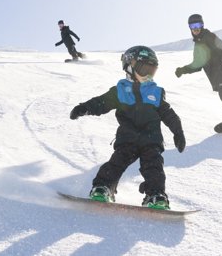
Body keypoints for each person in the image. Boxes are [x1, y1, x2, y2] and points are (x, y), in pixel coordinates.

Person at [70, 46, 185, 210]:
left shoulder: (156, 92)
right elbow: (100, 103)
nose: (148, 75)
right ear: (129, 67)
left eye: (152, 71)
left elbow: (169, 114)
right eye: (144, 69)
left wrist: (178, 132)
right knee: (115, 164)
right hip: (127, 139)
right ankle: (103, 188)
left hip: (151, 140)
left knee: (154, 168)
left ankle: (156, 195)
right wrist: (83, 108)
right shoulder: (120, 91)